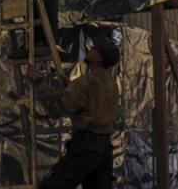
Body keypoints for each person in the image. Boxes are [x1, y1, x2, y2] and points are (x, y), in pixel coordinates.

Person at [28, 43, 120, 189]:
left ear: (98, 57)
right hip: (104, 148)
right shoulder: (111, 84)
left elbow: (57, 105)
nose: (88, 50)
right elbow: (91, 104)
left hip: (86, 145)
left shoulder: (87, 82)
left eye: (92, 49)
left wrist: (38, 81)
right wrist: (71, 87)